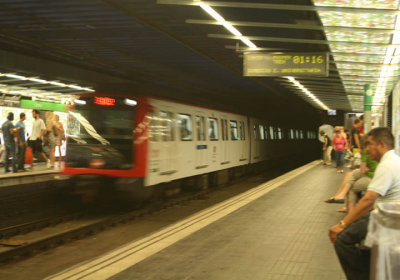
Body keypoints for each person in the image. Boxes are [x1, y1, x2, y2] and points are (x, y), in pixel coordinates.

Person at [329, 127, 400, 280]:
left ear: (381, 144)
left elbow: (369, 199)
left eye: (369, 144)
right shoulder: (393, 159)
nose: (367, 149)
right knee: (367, 247)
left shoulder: (387, 165)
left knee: (342, 240)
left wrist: (342, 224)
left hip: (387, 219)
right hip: (388, 215)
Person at [324, 136, 378, 213]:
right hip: (374, 176)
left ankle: (350, 211)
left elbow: (362, 170)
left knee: (351, 186)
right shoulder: (376, 152)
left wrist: (365, 169)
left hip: (372, 178)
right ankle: (342, 197)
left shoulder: (365, 152)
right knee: (352, 174)